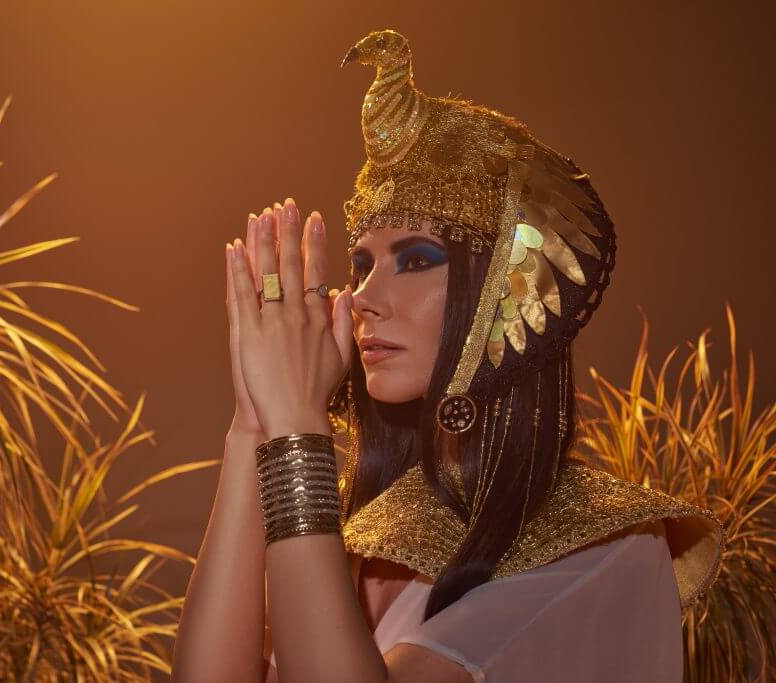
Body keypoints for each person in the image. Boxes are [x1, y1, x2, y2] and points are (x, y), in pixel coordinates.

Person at [171, 28, 724, 683]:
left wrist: (297, 432)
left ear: (506, 291)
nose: (366, 297)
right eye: (362, 264)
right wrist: (254, 423)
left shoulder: (607, 546)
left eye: (416, 260)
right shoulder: (370, 536)